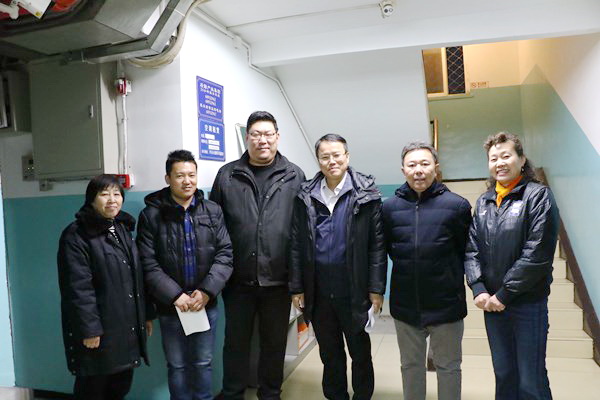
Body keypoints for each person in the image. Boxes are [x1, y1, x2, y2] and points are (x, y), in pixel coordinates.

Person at [210, 111, 305, 400]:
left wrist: (298, 281)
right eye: (256, 134)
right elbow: (214, 226)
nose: (262, 140)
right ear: (247, 137)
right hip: (237, 280)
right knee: (235, 344)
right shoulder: (227, 175)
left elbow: (303, 231)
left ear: (277, 137)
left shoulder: (294, 175)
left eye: (268, 134)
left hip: (278, 280)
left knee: (274, 345)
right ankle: (232, 394)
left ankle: (271, 394)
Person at [289, 134, 387, 400]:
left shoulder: (366, 194)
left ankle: (362, 396)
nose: (331, 161)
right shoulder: (306, 195)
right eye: (325, 157)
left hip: (354, 290)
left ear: (347, 156)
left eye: (336, 155)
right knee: (329, 353)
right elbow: (296, 244)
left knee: (360, 352)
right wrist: (297, 287)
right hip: (319, 291)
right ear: (318, 160)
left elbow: (377, 246)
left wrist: (376, 289)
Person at [465, 132, 559, 400]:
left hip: (527, 304)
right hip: (493, 306)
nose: (499, 163)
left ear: (522, 159)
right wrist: (478, 288)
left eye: (506, 156)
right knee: (504, 374)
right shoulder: (484, 202)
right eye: (493, 158)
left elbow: (537, 255)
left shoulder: (538, 196)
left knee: (531, 380)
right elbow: (471, 249)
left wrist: (503, 294)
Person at [137, 150, 233, 400]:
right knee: (177, 366)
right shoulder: (151, 215)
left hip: (204, 303)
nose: (187, 181)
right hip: (171, 306)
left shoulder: (212, 210)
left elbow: (225, 254)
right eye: (180, 176)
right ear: (168, 178)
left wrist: (207, 291)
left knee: (203, 363)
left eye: (191, 175)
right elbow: (147, 262)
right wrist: (174, 295)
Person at [382, 142, 472, 400]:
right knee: (410, 367)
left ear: (436, 167)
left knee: (448, 367)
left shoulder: (457, 206)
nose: (418, 170)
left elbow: (467, 252)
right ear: (403, 170)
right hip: (405, 306)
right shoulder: (389, 208)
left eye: (424, 163)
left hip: (447, 306)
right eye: (412, 165)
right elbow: (389, 249)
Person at [57, 174, 151, 400]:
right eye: (104, 194)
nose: (112, 200)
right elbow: (78, 289)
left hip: (125, 327)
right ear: (91, 199)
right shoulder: (76, 235)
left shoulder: (121, 228)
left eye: (117, 194)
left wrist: (146, 314)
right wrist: (89, 329)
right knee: (93, 388)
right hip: (99, 330)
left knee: (119, 387)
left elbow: (136, 277)